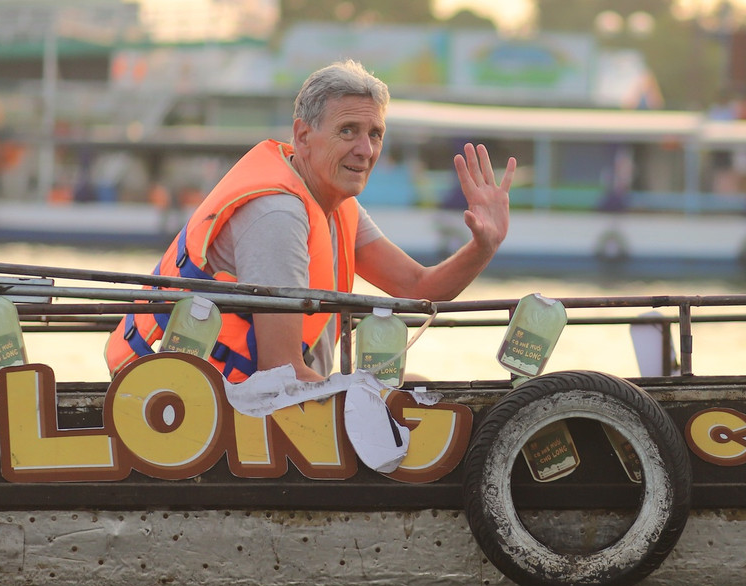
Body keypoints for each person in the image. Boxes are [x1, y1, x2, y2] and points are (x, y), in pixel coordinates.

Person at [106, 59, 517, 383]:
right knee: (413, 400)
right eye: (348, 131)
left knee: (421, 387)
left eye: (375, 134)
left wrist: (484, 246)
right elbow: (279, 374)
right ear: (303, 136)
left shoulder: (338, 206)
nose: (365, 150)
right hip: (218, 412)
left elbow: (419, 288)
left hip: (259, 395)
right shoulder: (278, 216)